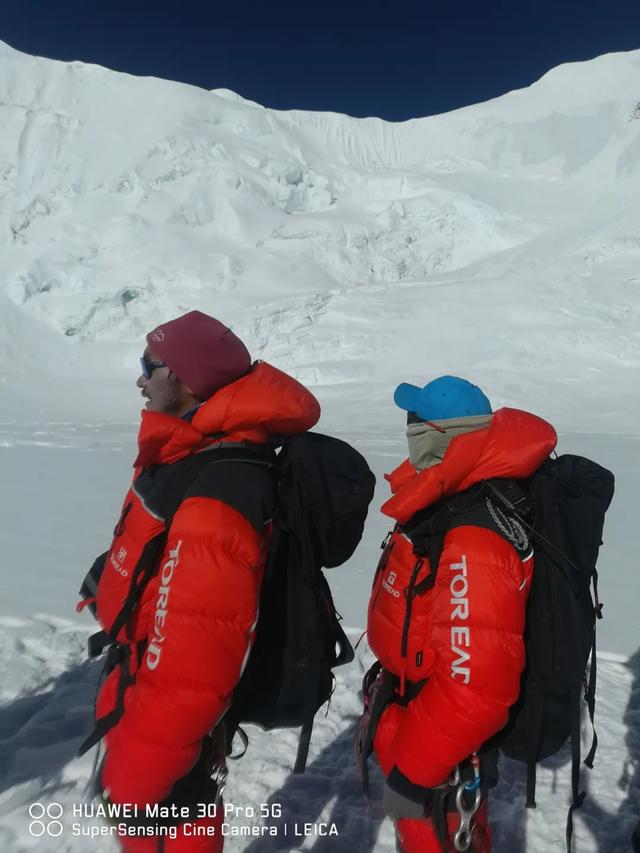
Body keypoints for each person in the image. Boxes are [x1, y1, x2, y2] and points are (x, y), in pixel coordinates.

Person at [78, 310, 320, 852]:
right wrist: (111, 582)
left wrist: (143, 766)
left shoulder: (221, 481)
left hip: (161, 720)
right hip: (144, 695)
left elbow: (196, 653)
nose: (141, 379)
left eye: (150, 366)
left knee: (167, 824)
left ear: (186, 378)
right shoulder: (192, 453)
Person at [361, 375, 557, 852]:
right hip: (418, 713)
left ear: (444, 436)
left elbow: (477, 686)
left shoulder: (474, 534)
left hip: (439, 745)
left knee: (441, 840)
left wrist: (414, 773)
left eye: (416, 423)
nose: (408, 433)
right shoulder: (446, 501)